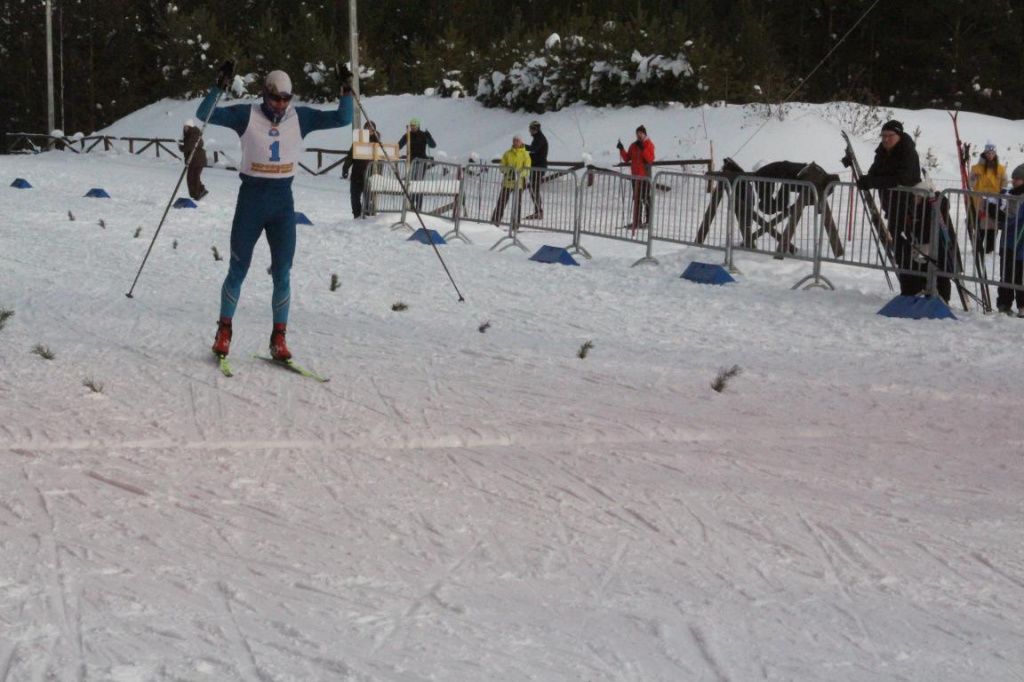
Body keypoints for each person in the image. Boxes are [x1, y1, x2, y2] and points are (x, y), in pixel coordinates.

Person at [198, 62, 354, 361]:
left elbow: (343, 118)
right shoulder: (247, 114)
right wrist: (219, 85)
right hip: (252, 201)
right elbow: (204, 114)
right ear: (265, 95)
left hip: (282, 203)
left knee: (282, 273)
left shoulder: (301, 117)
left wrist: (346, 88)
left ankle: (278, 338)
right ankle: (224, 331)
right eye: (275, 98)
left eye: (286, 99)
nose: (280, 105)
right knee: (237, 271)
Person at [856, 119, 930, 297]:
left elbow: (903, 178)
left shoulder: (908, 152)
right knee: (899, 249)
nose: (886, 139)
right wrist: (867, 180)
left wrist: (874, 181)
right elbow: (876, 172)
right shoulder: (881, 152)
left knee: (908, 249)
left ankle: (916, 287)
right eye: (883, 136)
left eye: (890, 136)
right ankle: (910, 289)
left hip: (909, 207)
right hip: (892, 207)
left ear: (899, 135)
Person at [969, 142, 1007, 254]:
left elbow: (1004, 183)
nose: (990, 155)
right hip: (980, 201)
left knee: (993, 225)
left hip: (995, 201)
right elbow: (971, 183)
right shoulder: (976, 168)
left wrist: (1002, 195)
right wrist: (974, 178)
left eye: (992, 153)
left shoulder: (1000, 169)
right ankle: (977, 247)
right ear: (985, 153)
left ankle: (989, 248)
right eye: (988, 153)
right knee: (981, 225)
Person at [996, 164, 1024, 316]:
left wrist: (1003, 217)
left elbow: (1015, 219)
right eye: (1013, 178)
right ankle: (1004, 303)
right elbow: (1008, 218)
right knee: (1006, 274)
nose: (1013, 181)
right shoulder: (1011, 195)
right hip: (1007, 242)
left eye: (1017, 179)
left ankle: (1022, 306)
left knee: (1019, 275)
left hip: (1019, 245)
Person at [617, 125, 655, 229]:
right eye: (637, 134)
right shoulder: (633, 145)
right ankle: (637, 221)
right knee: (637, 199)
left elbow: (650, 159)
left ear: (644, 134)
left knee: (645, 198)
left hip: (645, 177)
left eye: (641, 134)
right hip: (635, 177)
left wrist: (643, 149)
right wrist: (621, 149)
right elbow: (626, 158)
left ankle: (648, 221)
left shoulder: (649, 144)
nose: (639, 135)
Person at [342, 120, 380, 219]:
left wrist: (379, 174)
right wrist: (345, 168)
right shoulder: (357, 142)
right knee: (354, 197)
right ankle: (357, 216)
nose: (369, 130)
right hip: (356, 174)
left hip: (370, 174)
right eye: (367, 128)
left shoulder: (376, 142)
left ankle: (368, 216)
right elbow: (350, 156)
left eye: (371, 129)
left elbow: (380, 157)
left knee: (369, 197)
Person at [397, 118, 436, 211]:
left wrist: (429, 137)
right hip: (411, 161)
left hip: (421, 161)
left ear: (418, 126)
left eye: (414, 126)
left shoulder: (423, 135)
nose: (413, 127)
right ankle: (411, 204)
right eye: (411, 126)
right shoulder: (408, 135)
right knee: (411, 183)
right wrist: (394, 152)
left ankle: (418, 206)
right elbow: (399, 145)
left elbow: (433, 145)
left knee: (418, 183)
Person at [491, 135, 531, 225]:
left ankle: (516, 223)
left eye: (517, 141)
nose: (515, 143)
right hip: (507, 182)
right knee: (501, 202)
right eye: (514, 141)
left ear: (521, 142)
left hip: (519, 183)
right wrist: (509, 171)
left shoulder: (525, 154)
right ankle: (495, 221)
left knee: (517, 205)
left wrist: (518, 173)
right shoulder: (507, 153)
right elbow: (502, 166)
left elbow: (527, 169)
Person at [524, 120, 548, 220]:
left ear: (536, 129)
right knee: (533, 189)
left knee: (534, 189)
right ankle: (538, 211)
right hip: (535, 167)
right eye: (530, 128)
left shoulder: (540, 138)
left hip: (539, 167)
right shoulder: (537, 138)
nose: (530, 131)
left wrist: (522, 146)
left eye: (532, 129)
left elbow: (534, 149)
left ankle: (539, 212)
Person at [179, 120, 208, 200]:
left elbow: (188, 147)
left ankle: (198, 193)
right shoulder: (190, 135)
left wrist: (181, 147)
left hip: (197, 160)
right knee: (193, 177)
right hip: (194, 160)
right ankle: (199, 191)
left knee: (192, 177)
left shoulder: (194, 134)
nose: (185, 129)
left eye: (187, 127)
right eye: (184, 127)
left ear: (190, 127)